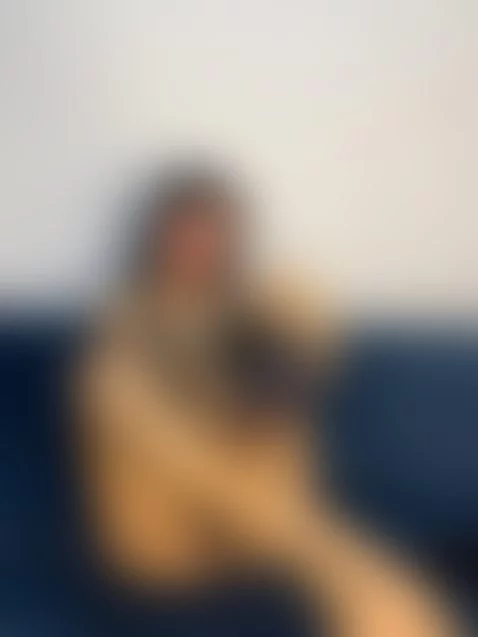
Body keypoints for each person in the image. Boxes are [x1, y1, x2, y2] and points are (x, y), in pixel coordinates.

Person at [74, 163, 460, 636]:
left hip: (261, 540)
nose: (198, 250)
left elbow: (303, 340)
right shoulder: (119, 349)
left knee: (393, 590)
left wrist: (276, 368)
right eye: (183, 235)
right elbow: (208, 474)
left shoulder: (254, 310)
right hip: (176, 566)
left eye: (213, 236)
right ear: (153, 240)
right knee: (370, 596)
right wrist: (321, 552)